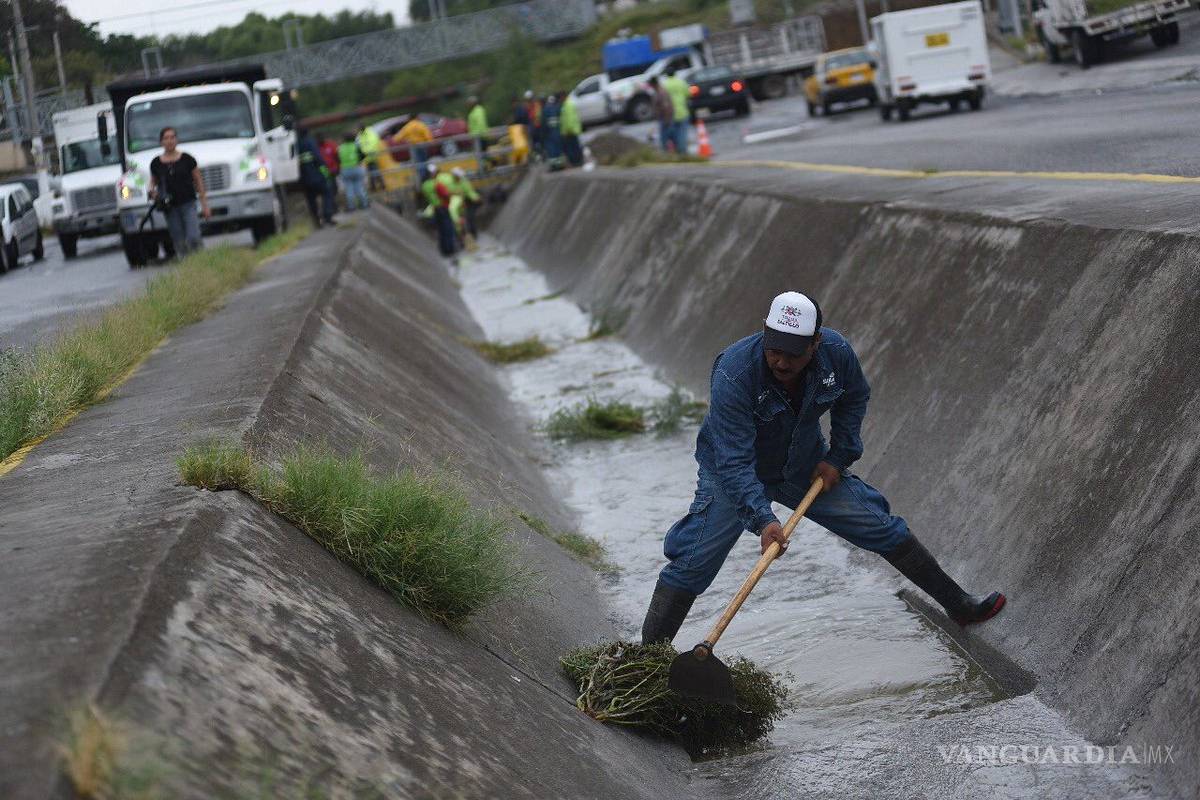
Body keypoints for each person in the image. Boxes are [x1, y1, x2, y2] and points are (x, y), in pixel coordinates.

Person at [639, 291, 1007, 645]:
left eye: (793, 354)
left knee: (880, 526)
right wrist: (764, 520)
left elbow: (854, 397)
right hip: (731, 472)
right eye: (775, 351)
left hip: (803, 465)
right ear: (764, 335)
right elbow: (734, 460)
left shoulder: (836, 353)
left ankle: (959, 605)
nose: (781, 362)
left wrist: (837, 456)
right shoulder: (734, 374)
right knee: (693, 561)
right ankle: (646, 661)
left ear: (814, 343)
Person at [148, 126, 209, 258]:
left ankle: (201, 260)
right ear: (161, 142)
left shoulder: (187, 159)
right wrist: (152, 191)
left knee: (193, 236)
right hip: (170, 207)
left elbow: (198, 181)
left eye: (172, 137)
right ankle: (186, 264)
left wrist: (204, 205)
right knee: (179, 239)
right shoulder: (156, 163)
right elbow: (153, 181)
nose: (169, 141)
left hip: (188, 203)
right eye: (166, 138)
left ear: (177, 140)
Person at [296, 128, 335, 227]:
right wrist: (327, 173)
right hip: (316, 176)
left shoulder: (295, 144)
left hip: (303, 179)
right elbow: (318, 158)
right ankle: (328, 217)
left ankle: (316, 221)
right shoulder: (310, 142)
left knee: (311, 199)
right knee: (327, 193)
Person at [420, 163, 456, 258]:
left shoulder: (424, 185)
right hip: (443, 208)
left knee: (441, 230)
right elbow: (445, 195)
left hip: (435, 209)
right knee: (448, 229)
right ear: (432, 173)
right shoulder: (436, 184)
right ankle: (450, 249)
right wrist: (449, 199)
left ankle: (444, 250)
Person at [662, 70, 692, 157]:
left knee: (673, 134)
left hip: (670, 114)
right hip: (682, 111)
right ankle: (683, 152)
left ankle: (677, 152)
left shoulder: (664, 85)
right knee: (682, 133)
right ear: (675, 74)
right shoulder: (681, 82)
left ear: (667, 75)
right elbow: (688, 94)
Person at [449, 166, 481, 247]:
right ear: (454, 176)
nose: (459, 177)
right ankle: (460, 238)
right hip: (454, 205)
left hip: (465, 203)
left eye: (460, 176)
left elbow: (469, 192)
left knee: (469, 219)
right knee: (457, 223)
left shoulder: (464, 182)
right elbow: (448, 194)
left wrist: (475, 198)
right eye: (458, 176)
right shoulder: (450, 184)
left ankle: (472, 235)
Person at [337, 131, 369, 211]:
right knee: (359, 187)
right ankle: (364, 204)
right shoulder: (356, 145)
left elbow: (338, 159)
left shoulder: (340, 147)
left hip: (345, 170)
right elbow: (363, 155)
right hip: (356, 168)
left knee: (349, 189)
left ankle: (351, 207)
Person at [648, 76, 675, 153]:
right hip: (664, 119)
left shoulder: (661, 92)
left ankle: (668, 154)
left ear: (653, 84)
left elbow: (666, 107)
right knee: (668, 139)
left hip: (665, 119)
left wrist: (667, 120)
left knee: (666, 139)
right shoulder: (658, 92)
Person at [356, 123, 385, 192]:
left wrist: (365, 152)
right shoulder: (361, 134)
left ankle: (378, 186)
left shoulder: (370, 132)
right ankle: (376, 186)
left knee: (374, 170)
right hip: (366, 156)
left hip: (372, 155)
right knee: (372, 171)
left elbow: (374, 142)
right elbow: (359, 143)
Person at [559, 91, 583, 168]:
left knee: (573, 147)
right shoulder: (568, 104)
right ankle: (578, 161)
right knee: (575, 146)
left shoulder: (567, 105)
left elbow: (569, 119)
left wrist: (567, 130)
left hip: (570, 130)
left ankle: (577, 162)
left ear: (563, 97)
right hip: (572, 130)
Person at [540, 93, 563, 171]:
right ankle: (560, 164)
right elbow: (561, 119)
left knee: (551, 150)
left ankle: (554, 166)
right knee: (558, 148)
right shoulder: (557, 108)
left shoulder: (545, 110)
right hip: (557, 131)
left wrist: (543, 135)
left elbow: (543, 123)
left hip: (549, 133)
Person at [524, 90, 543, 159]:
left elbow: (537, 114)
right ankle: (538, 154)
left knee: (538, 141)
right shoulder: (528, 106)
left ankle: (540, 153)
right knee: (535, 142)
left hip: (537, 125)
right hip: (533, 125)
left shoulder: (536, 104)